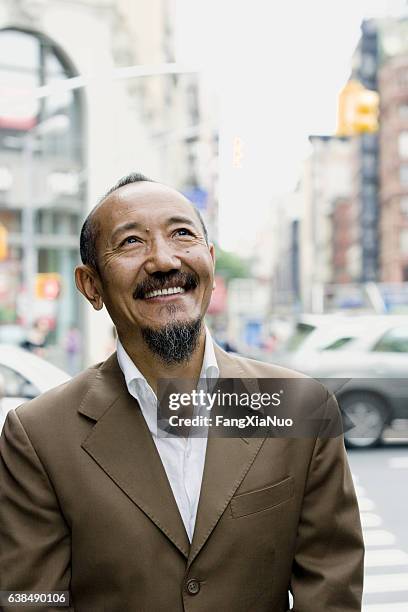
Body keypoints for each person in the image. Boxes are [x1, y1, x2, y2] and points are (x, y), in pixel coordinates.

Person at [0, 173, 364, 612]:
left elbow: (331, 593)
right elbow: (29, 600)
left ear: (208, 261)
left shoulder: (299, 407)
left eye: (182, 234)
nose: (165, 260)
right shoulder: (38, 436)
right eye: (132, 242)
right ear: (90, 285)